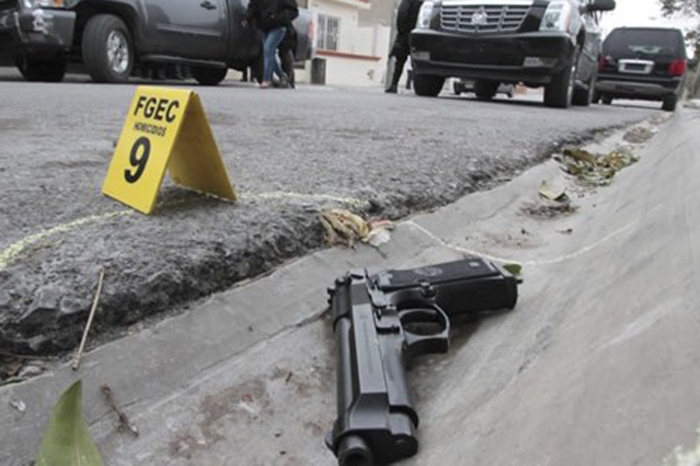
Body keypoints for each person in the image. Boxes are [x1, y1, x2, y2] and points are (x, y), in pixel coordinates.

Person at [244, 0, 299, 88]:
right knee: (268, 53)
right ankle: (282, 76)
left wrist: (279, 17)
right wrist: (247, 18)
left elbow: (293, 10)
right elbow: (253, 5)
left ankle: (267, 79)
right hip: (264, 26)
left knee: (268, 49)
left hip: (279, 26)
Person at [386, 0, 423, 94]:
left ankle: (394, 85)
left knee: (399, 61)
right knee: (418, 61)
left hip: (405, 34)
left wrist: (401, 31)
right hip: (419, 33)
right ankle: (419, 87)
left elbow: (402, 14)